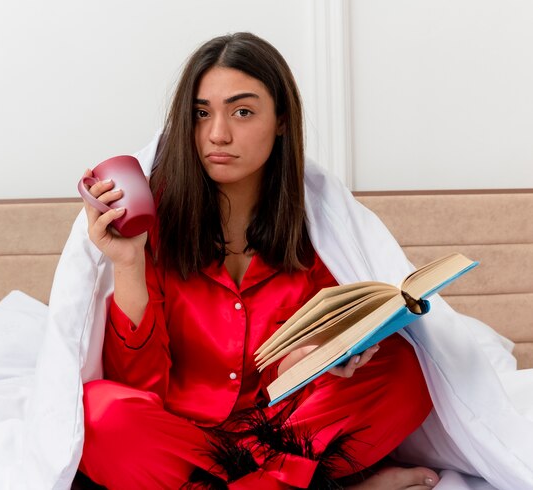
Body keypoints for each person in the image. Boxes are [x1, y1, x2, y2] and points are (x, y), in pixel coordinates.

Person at [77, 32, 439, 489]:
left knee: (407, 370)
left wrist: (318, 360)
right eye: (201, 113)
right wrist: (128, 262)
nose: (217, 134)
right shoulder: (157, 224)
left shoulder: (321, 232)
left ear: (282, 120)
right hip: (186, 439)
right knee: (97, 414)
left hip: (288, 429)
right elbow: (140, 387)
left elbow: (312, 364)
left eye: (242, 111)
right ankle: (321, 484)